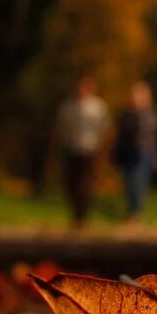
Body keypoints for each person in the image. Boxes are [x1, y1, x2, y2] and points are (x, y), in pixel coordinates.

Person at [53, 75, 109, 229]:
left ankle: (82, 215)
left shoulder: (98, 107)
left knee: (85, 183)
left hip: (90, 149)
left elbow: (104, 128)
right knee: (71, 182)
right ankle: (75, 212)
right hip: (71, 148)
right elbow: (60, 128)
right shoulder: (68, 106)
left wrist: (101, 147)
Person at [113, 81, 157, 224]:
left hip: (145, 152)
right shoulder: (126, 115)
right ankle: (131, 212)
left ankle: (136, 213)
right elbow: (119, 137)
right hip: (128, 153)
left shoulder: (153, 114)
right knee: (129, 184)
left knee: (138, 182)